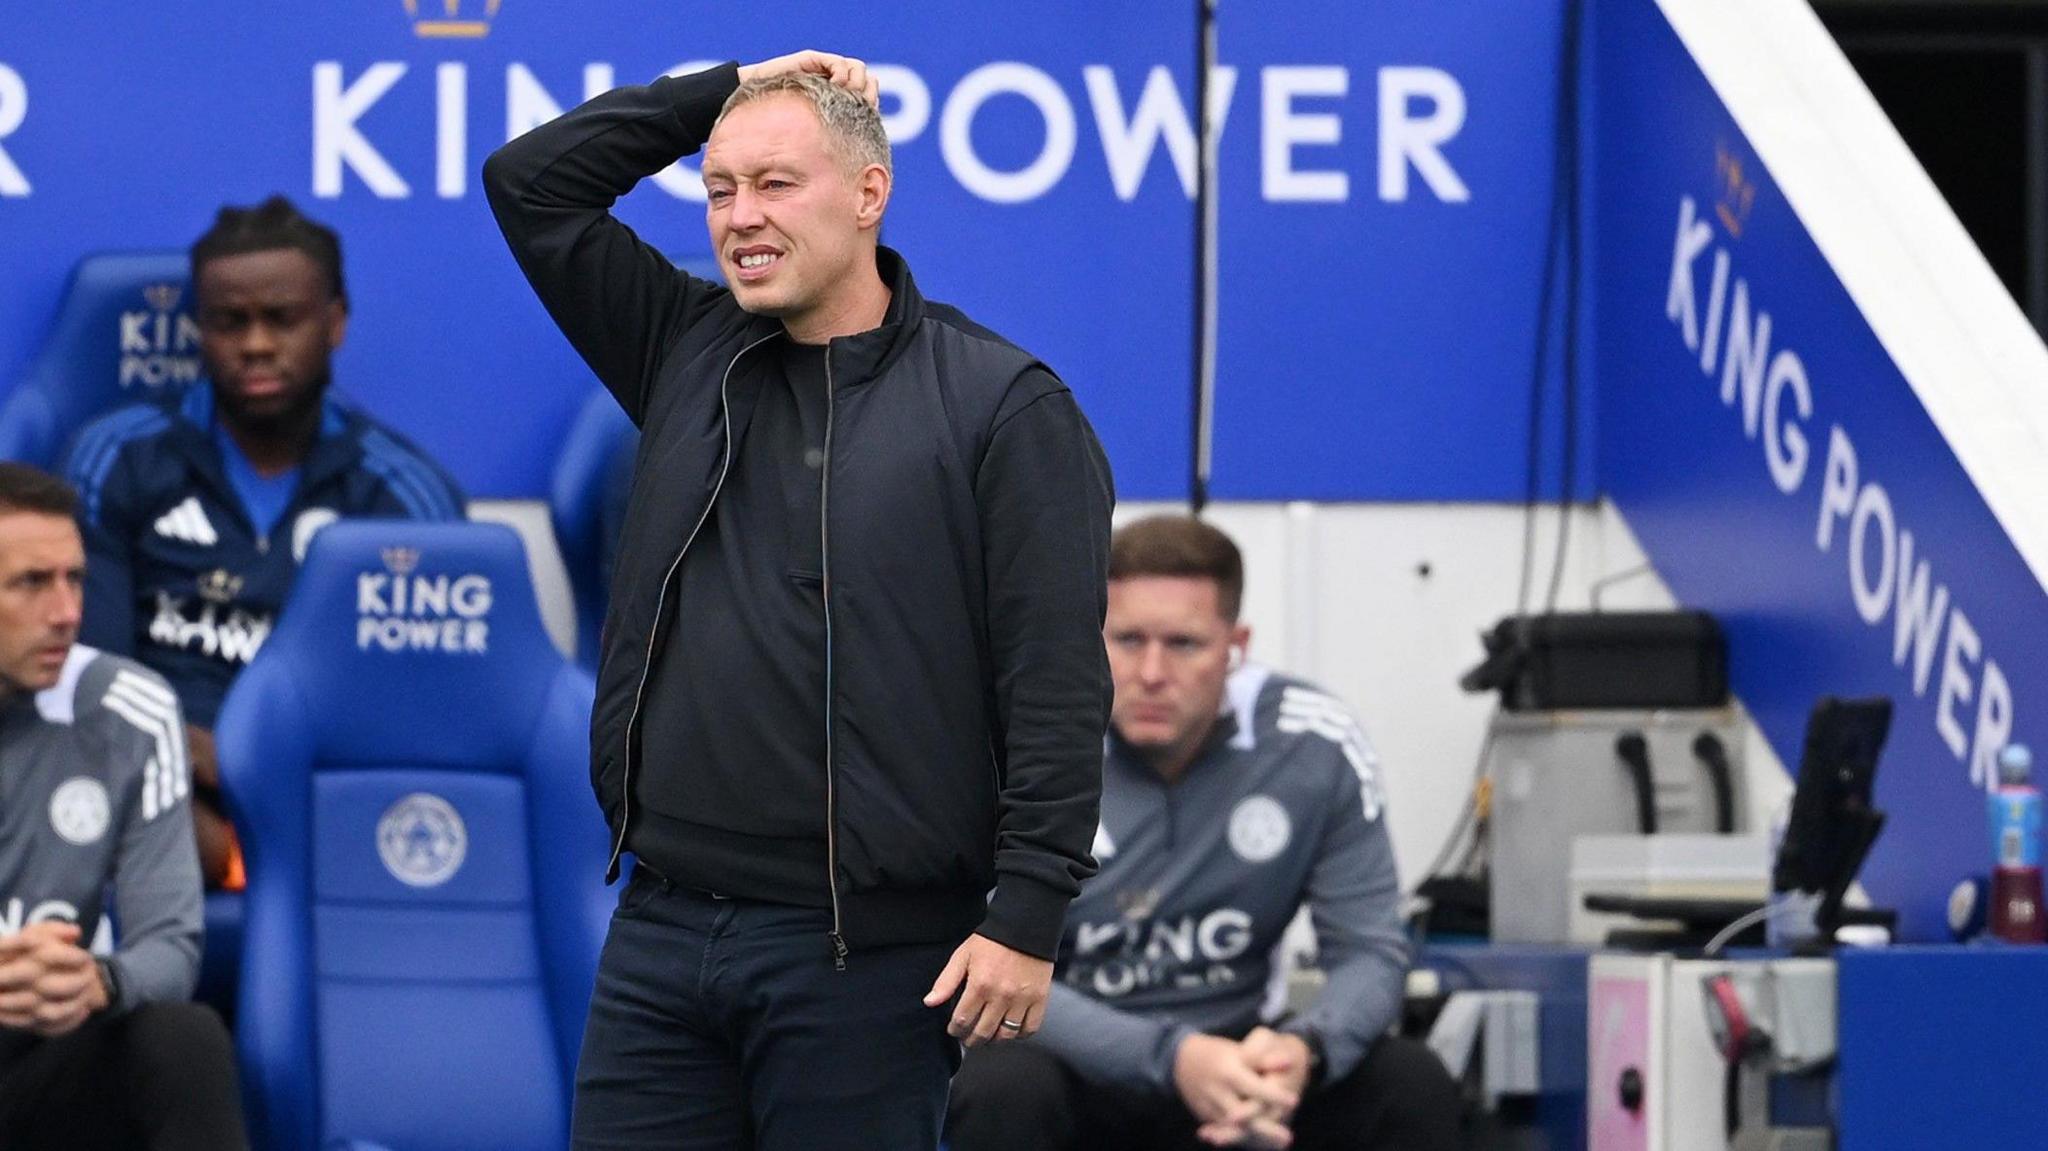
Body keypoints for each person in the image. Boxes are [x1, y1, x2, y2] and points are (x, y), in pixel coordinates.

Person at [485, 50, 1114, 1149]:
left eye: (776, 183)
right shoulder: (683, 348)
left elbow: (1053, 680)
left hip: (865, 956)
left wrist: (1027, 913)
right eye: (718, 188)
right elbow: (529, 182)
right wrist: (722, 87)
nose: (739, 216)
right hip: (661, 927)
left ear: (870, 193)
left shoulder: (1002, 406)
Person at [948, 515, 1464, 1151]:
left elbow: (1370, 950)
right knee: (1000, 1090)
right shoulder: (1019, 745)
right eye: (1128, 640)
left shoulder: (1313, 743)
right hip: (1081, 1069)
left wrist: (1303, 1051)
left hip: (1246, 1065)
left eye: (1185, 644)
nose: (1152, 673)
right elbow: (980, 968)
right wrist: (1172, 1058)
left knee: (1410, 1082)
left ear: (1235, 644)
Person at [62, 196, 467, 890]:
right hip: (153, 798)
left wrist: (249, 765)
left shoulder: (405, 495)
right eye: (229, 322)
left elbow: (422, 712)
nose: (254, 344)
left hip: (327, 802)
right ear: (197, 328)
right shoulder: (115, 459)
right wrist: (184, 780)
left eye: (281, 319)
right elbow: (88, 681)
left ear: (335, 321)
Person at [0, 462, 248, 1150]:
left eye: (74, 577)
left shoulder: (130, 709)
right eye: (31, 583)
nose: (68, 612)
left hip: (37, 1063)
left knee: (182, 1036)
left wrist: (98, 981)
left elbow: (170, 945)